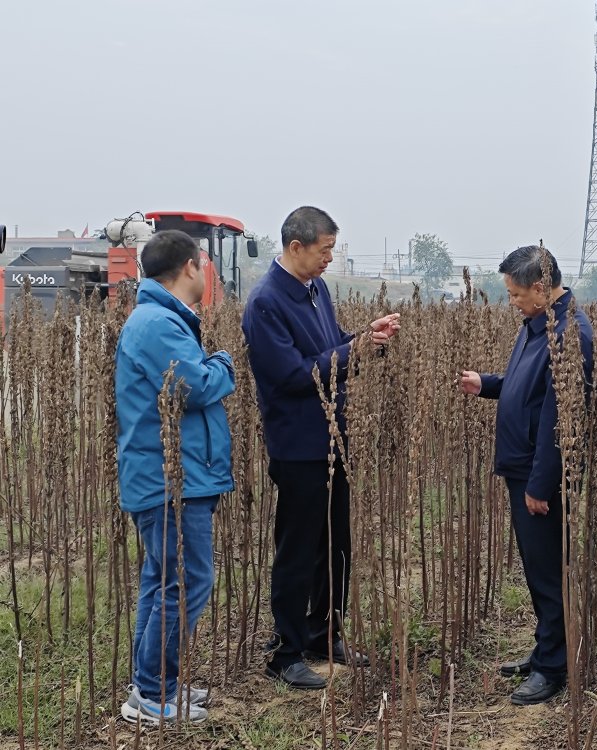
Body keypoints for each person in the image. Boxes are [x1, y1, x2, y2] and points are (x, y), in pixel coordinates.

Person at [242, 206, 400, 690]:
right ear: (296, 247)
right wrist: (350, 351)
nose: (330, 258)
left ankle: (324, 634)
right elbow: (293, 375)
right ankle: (286, 652)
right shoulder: (266, 303)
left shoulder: (317, 291)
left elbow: (329, 351)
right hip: (299, 444)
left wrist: (365, 341)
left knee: (336, 544)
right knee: (299, 548)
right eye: (325, 250)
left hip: (335, 437)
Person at [459, 245, 593, 706]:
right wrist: (488, 384)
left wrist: (541, 484)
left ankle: (553, 667)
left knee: (548, 571)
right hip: (523, 468)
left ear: (541, 287)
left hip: (541, 477)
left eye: (516, 294)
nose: (512, 301)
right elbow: (527, 388)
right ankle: (544, 652)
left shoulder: (569, 334)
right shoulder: (538, 325)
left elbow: (562, 420)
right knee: (537, 570)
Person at [115, 230, 236, 724]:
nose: (205, 272)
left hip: (174, 477)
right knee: (187, 581)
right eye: (203, 264)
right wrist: (224, 361)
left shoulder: (159, 319)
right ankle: (152, 691)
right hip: (171, 480)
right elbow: (198, 385)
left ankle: (153, 684)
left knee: (164, 580)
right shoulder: (157, 323)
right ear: (190, 266)